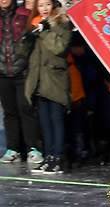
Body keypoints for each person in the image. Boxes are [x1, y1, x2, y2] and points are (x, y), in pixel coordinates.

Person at [22, 0, 72, 174]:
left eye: (47, 5)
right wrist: (27, 39)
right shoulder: (35, 24)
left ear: (53, 6)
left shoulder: (62, 23)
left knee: (56, 120)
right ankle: (49, 156)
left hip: (55, 79)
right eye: (41, 5)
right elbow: (24, 52)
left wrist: (44, 32)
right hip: (39, 80)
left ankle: (58, 158)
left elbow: (59, 48)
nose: (44, 9)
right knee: (44, 122)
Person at [0, 0, 42, 165]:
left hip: (23, 71)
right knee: (9, 112)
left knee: (26, 109)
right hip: (2, 72)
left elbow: (32, 39)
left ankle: (33, 148)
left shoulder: (23, 14)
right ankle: (13, 149)